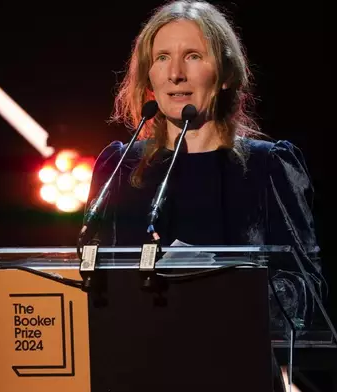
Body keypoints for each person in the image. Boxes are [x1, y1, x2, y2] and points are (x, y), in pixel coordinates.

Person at [83, 1, 321, 391]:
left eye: (192, 56)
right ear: (148, 76)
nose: (176, 74)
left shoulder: (270, 167)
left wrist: (221, 291)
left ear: (226, 73)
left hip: (234, 375)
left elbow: (306, 294)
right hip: (133, 374)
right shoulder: (118, 167)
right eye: (162, 58)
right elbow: (89, 281)